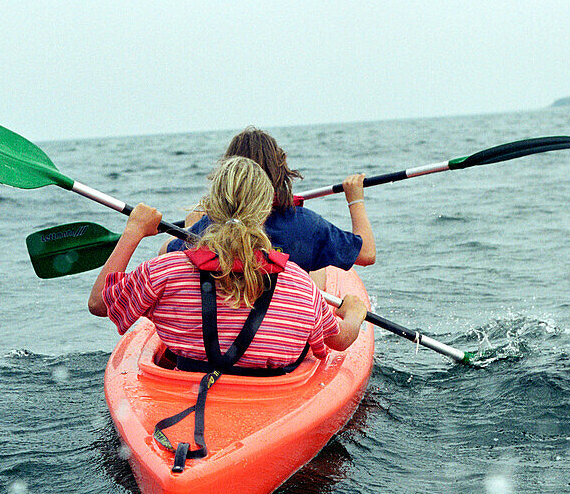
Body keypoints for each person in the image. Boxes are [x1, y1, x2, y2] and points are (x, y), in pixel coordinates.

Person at [88, 156, 367, 373]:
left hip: (183, 393)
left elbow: (99, 304)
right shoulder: (300, 284)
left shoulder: (164, 271)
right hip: (267, 401)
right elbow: (340, 341)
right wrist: (354, 313)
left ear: (210, 208)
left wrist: (133, 231)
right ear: (264, 212)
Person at [161, 127, 376, 281]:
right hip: (285, 331)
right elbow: (366, 254)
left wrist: (188, 229)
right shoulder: (306, 225)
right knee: (318, 268)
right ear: (279, 171)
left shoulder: (210, 226)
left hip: (225, 331)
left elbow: (165, 256)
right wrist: (355, 199)